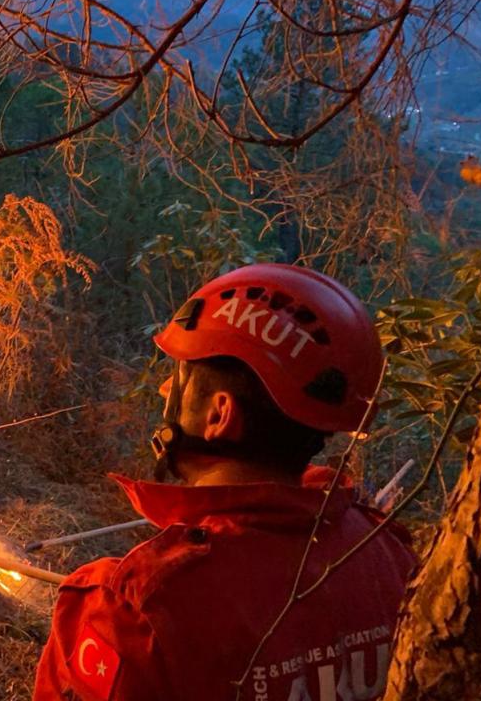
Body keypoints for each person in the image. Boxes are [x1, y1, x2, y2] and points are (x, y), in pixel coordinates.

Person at [34, 264, 415, 701]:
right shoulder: (389, 554)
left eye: (179, 380)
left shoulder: (137, 610)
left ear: (219, 414)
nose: (163, 391)